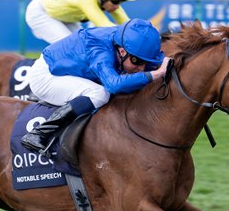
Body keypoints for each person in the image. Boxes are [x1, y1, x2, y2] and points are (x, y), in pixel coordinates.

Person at [21, 19, 170, 153]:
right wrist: (156, 74)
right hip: (46, 76)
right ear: (122, 51)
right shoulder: (100, 50)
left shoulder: (125, 43)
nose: (142, 68)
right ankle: (39, 133)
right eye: (137, 62)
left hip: (67, 71)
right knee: (100, 94)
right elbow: (114, 85)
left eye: (146, 62)